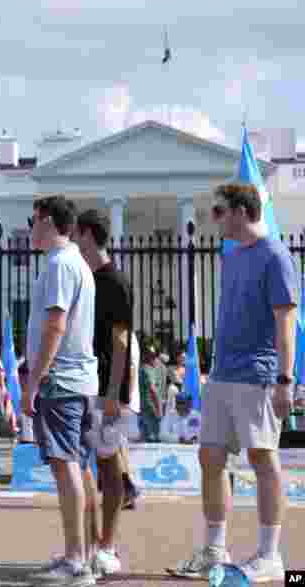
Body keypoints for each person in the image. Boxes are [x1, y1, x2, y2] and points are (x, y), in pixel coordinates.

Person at [169, 183, 297, 582]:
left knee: (262, 458)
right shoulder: (233, 255)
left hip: (258, 375)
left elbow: (286, 321)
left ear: (242, 211)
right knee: (209, 457)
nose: (214, 217)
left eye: (219, 210)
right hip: (223, 374)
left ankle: (269, 554)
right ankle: (214, 549)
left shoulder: (275, 254)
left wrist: (285, 379)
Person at [21, 195, 98, 587]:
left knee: (65, 466)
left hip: (60, 382)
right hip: (77, 380)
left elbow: (55, 325)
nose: (30, 228)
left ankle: (76, 560)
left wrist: (32, 382)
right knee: (76, 467)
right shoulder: (76, 263)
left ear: (48, 221)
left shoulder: (58, 264)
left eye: (32, 220)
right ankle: (81, 554)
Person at [74, 207, 143, 576]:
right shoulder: (87, 277)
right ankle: (94, 546)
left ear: (87, 234)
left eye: (76, 234)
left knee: (109, 464)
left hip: (106, 388)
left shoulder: (114, 281)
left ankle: (107, 546)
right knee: (93, 464)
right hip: (87, 384)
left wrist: (115, 392)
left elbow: (120, 340)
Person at [138, 345, 165, 442]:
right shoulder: (146, 370)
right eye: (152, 356)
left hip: (145, 408)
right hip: (151, 409)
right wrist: (159, 409)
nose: (155, 359)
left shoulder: (145, 369)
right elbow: (153, 390)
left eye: (155, 356)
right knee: (154, 438)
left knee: (146, 438)